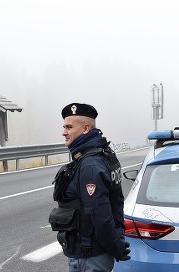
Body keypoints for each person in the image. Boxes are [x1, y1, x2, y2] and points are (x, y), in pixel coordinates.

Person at [56, 102, 130, 272]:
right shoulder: (105, 154)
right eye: (64, 127)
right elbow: (117, 203)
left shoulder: (90, 164)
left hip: (89, 255)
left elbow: (100, 216)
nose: (64, 132)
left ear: (86, 128)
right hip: (95, 252)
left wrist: (115, 247)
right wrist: (117, 240)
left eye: (69, 127)